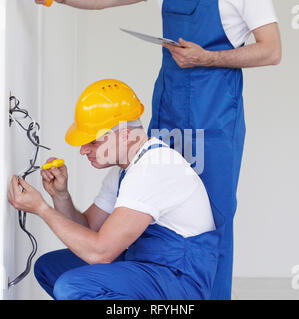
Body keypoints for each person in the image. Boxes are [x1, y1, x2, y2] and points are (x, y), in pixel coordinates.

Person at [34, 0, 282, 300]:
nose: (86, 150)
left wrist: (206, 58)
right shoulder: (138, 158)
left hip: (212, 117)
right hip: (171, 107)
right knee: (147, 204)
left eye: (93, 141)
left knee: (212, 221)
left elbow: (272, 50)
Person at [7, 79, 221, 300]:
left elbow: (100, 252)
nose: (83, 150)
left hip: (178, 280)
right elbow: (89, 228)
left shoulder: (154, 168)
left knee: (72, 286)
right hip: (146, 264)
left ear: (126, 135)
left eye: (93, 142)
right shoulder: (126, 170)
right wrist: (60, 195)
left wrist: (41, 208)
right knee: (50, 267)